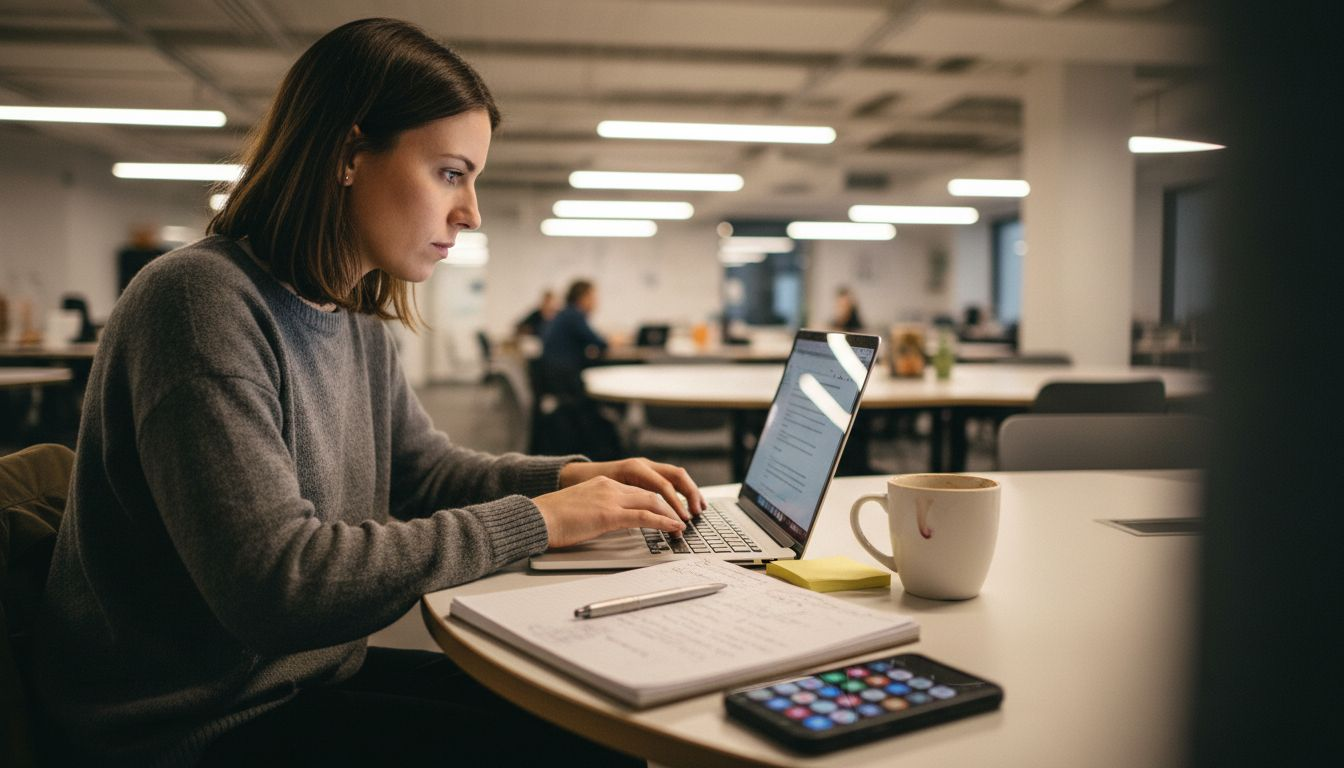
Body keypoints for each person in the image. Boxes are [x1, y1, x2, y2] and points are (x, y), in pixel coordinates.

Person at [32, 18, 705, 766]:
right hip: (191, 724)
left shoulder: (351, 318)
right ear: (350, 154)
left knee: (595, 722)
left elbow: (423, 472)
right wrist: (540, 520)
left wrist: (572, 480)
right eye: (451, 173)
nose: (471, 212)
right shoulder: (199, 302)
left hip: (303, 682)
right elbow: (279, 587)